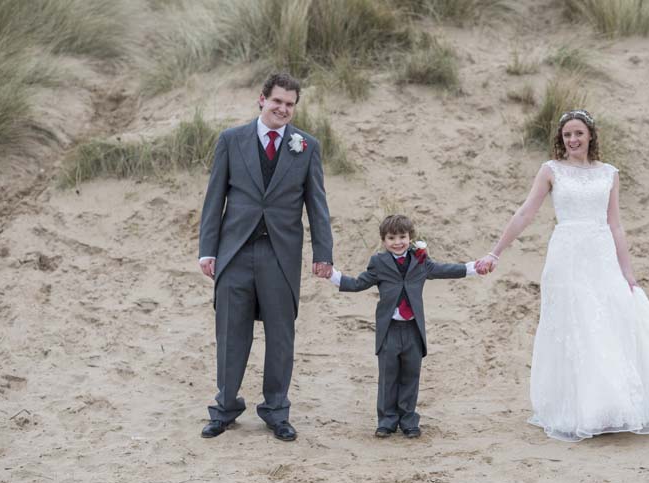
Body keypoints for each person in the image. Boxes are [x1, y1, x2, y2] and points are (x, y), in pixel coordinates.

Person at [475, 109, 649, 442]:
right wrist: (495, 251)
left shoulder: (609, 174)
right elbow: (525, 212)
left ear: (590, 135)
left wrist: (627, 270)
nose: (573, 140)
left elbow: (615, 224)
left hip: (601, 253)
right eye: (566, 135)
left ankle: (612, 404)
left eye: (578, 133)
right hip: (566, 256)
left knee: (609, 322)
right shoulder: (551, 171)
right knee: (577, 325)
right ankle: (584, 409)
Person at [198, 73, 333, 441]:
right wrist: (207, 250)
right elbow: (215, 199)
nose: (283, 109)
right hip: (235, 252)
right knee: (230, 334)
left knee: (281, 336)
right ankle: (224, 408)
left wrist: (324, 253)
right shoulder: (231, 140)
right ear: (262, 99)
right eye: (277, 102)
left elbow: (316, 204)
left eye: (290, 104)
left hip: (280, 254)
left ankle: (276, 411)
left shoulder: (307, 146)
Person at [328, 215, 480, 438]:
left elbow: (444, 269)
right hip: (390, 329)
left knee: (411, 375)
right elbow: (358, 283)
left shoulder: (420, 261)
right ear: (383, 240)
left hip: (412, 329)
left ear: (410, 238)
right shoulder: (378, 263)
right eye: (391, 238)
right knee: (388, 376)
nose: (397, 242)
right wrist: (332, 275)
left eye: (402, 237)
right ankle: (387, 420)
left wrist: (473, 267)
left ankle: (408, 419)